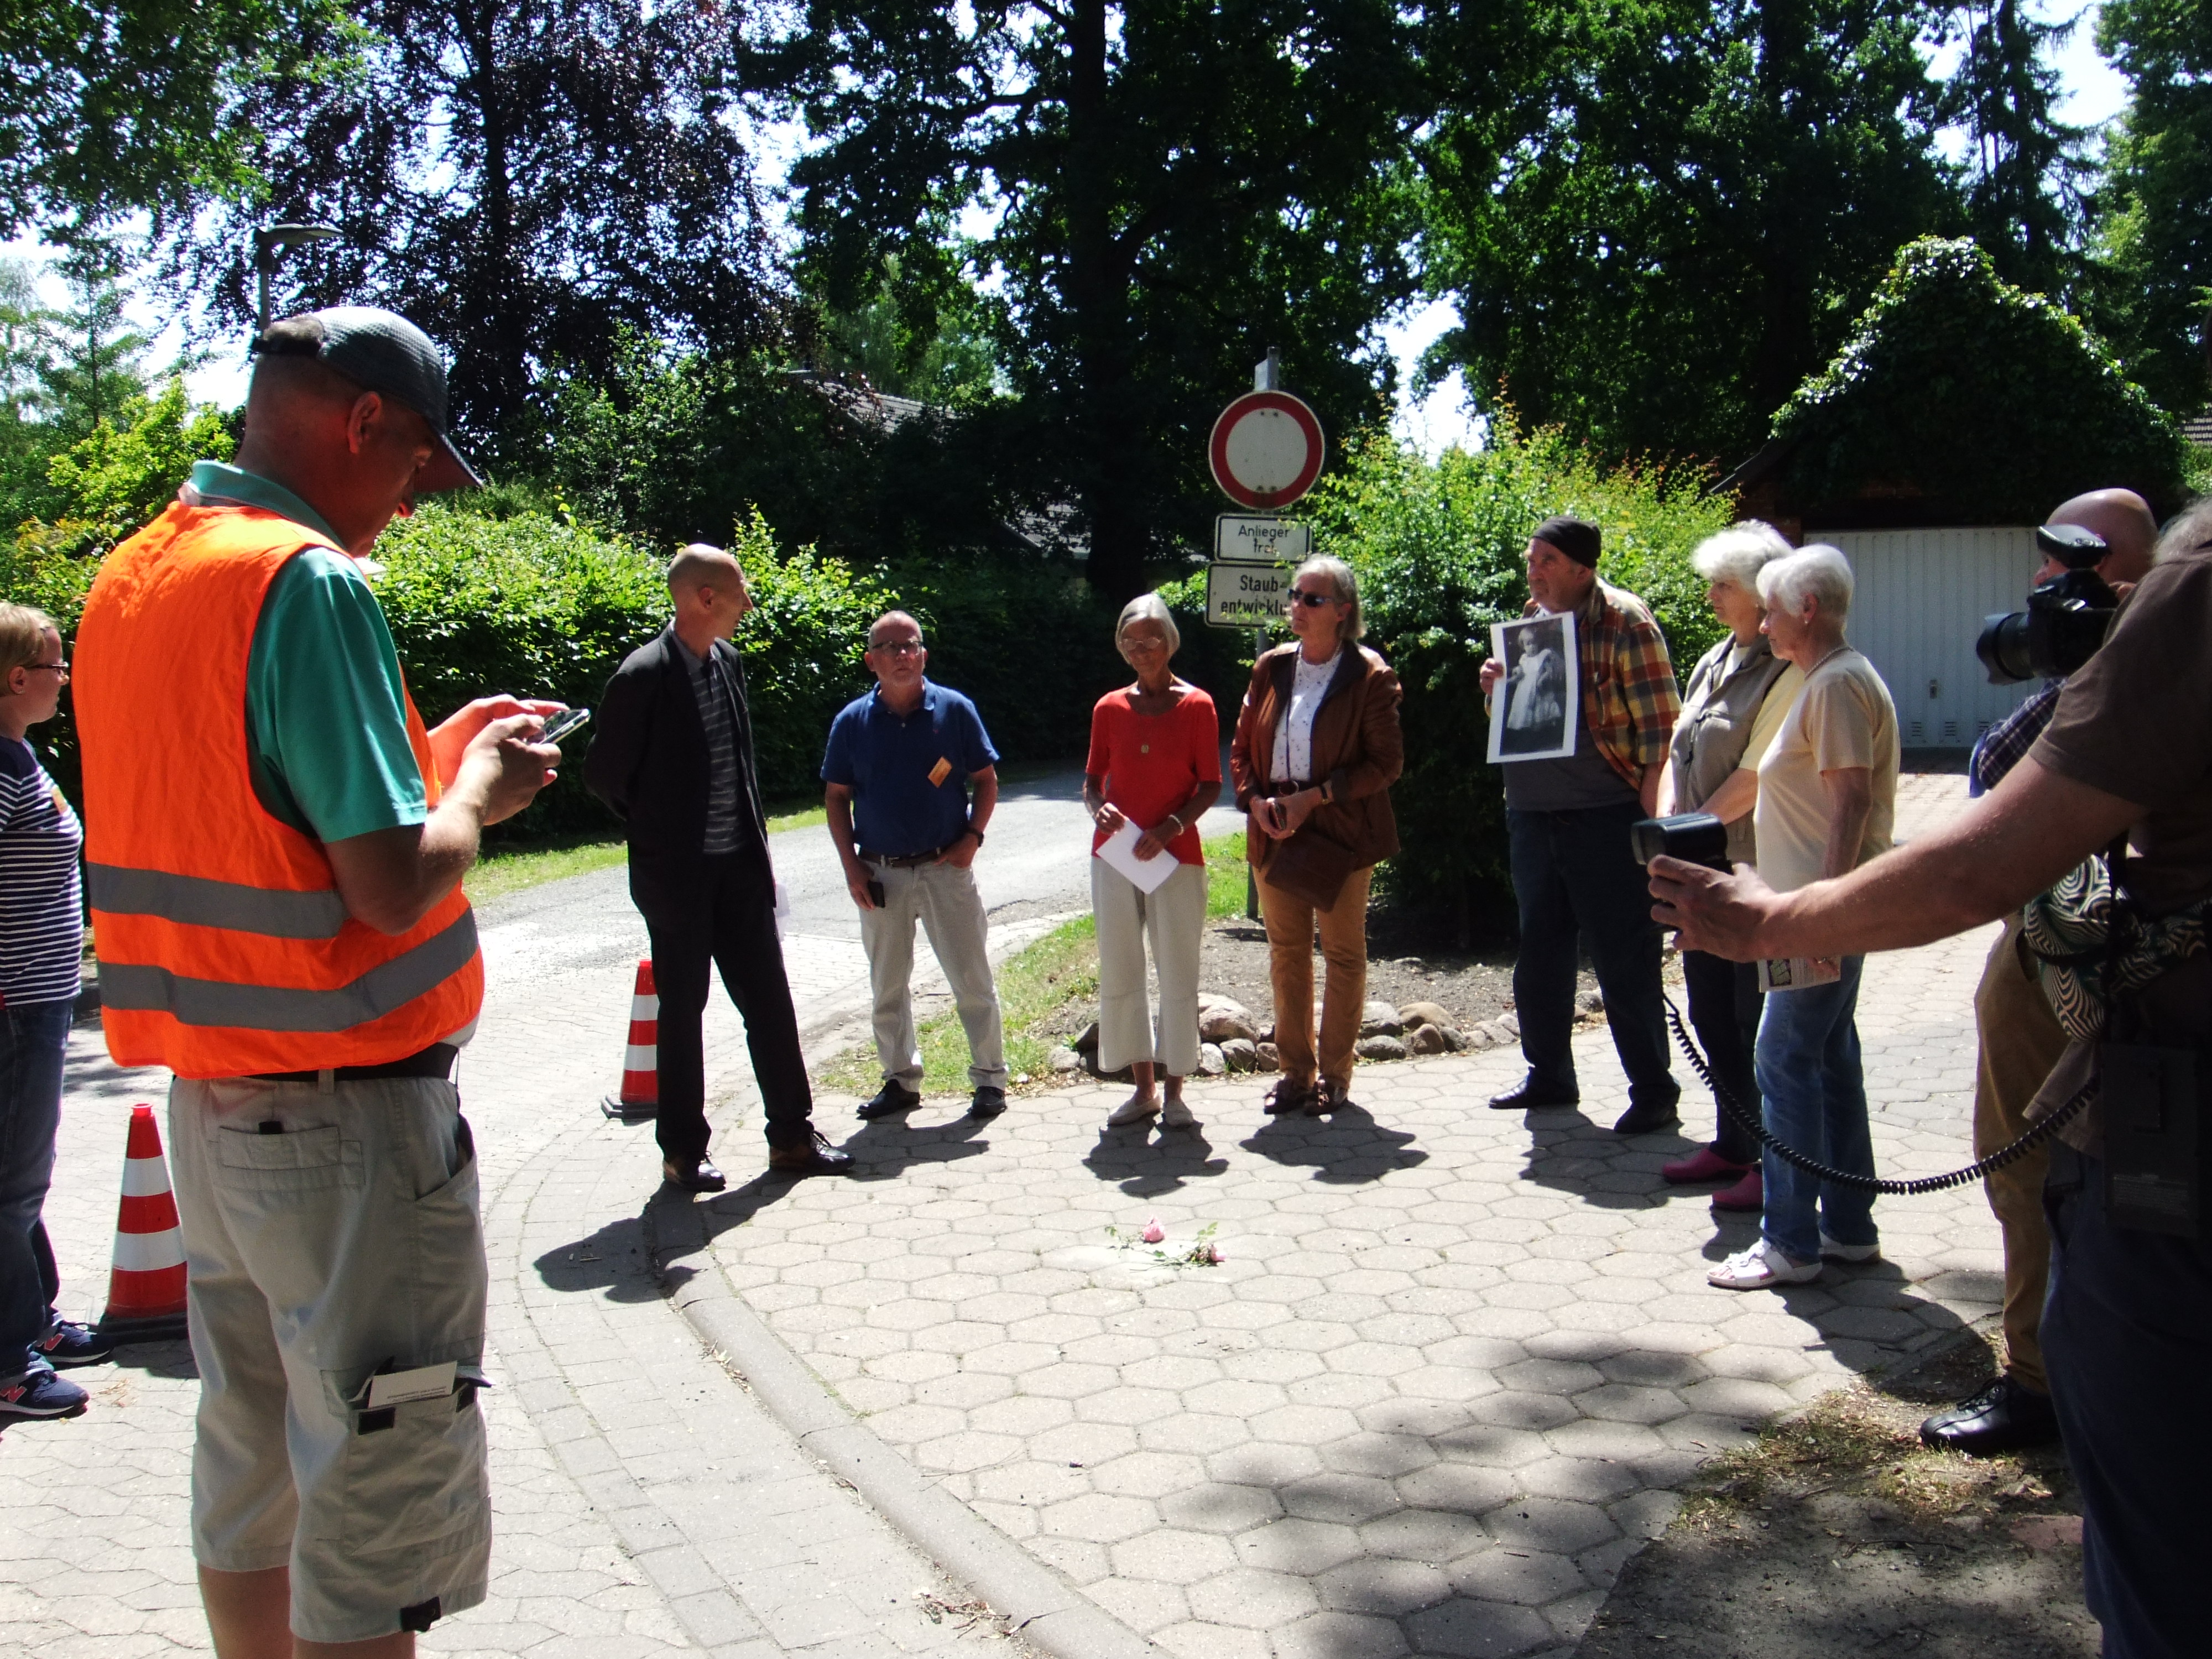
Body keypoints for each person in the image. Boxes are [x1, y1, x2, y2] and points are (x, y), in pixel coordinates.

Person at [72, 306, 562, 1653]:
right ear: (361, 422)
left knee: (254, 1454)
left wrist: (420, 753)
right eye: (412, 464)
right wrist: (479, 782)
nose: (410, 500)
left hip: (214, 1109)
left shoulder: (130, 581)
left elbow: (243, 805)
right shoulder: (309, 580)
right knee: (373, 1481)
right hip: (349, 1130)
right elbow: (390, 882)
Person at [1652, 496, 2212, 1659]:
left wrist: (1779, 921)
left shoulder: (1850, 678)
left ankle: (1819, 1236)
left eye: (2088, 572)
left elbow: (1979, 840)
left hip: (2168, 1137)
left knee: (2166, 1549)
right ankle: (1940, 1310)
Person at [1921, 487, 2158, 1456]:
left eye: (2070, 566)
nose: (2044, 589)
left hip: (2108, 953)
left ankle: (2046, 1384)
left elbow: (2002, 791)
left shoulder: (2156, 665)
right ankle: (2055, 1366)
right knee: (2026, 1168)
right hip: (2052, 939)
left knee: (2048, 1167)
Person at [588, 545, 853, 1189]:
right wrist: (664, 836)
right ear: (705, 598)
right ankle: (683, 1151)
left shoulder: (728, 663)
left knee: (768, 998)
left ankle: (791, 1135)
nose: (749, 604)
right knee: (683, 1008)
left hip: (739, 869)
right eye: (740, 592)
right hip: (677, 878)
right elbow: (603, 777)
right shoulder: (642, 675)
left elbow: (737, 766)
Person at [1702, 545, 1897, 1290]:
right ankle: (1847, 1228)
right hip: (1818, 914)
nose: (1768, 619)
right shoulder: (1828, 680)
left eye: (1776, 607)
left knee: (1782, 1059)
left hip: (1817, 917)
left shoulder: (1836, 684)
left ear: (1806, 609)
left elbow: (1850, 802)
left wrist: (1821, 913)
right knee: (1830, 1061)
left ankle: (1789, 1242)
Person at [1480, 515, 1684, 1133]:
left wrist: (1656, 837)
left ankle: (1653, 1091)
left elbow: (1660, 738)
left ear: (1582, 569)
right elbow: (1519, 718)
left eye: (1544, 560)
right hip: (1531, 816)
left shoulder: (1625, 622)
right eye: (1530, 558)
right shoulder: (1530, 619)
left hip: (1606, 819)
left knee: (1623, 958)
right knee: (1539, 953)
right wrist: (1493, 690)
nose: (1532, 570)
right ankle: (1549, 1076)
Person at [1652, 523, 1803, 1213]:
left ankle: (1775, 1161)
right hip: (1692, 862)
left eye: (1724, 586)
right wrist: (1661, 830)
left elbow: (1753, 776)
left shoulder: (1785, 669)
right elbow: (1677, 748)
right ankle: (1732, 1141)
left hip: (1744, 866)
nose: (1710, 596)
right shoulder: (1714, 658)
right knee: (1710, 1009)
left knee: (1752, 1017)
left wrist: (1686, 834)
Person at [1230, 556, 1403, 1117]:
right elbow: (1239, 749)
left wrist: (1316, 797)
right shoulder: (1271, 667)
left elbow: (1386, 765)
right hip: (1276, 828)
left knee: (1343, 954)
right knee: (1286, 954)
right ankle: (1295, 1075)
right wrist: (1256, 802)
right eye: (1295, 595)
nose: (1296, 607)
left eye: (1312, 599)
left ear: (1343, 611)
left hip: (1340, 833)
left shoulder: (1369, 675)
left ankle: (1335, 1075)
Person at [821, 610, 1007, 1121]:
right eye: (890, 647)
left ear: (924, 654)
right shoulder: (851, 723)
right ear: (871, 661)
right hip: (880, 873)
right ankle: (900, 1080)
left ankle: (990, 1078)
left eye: (911, 645)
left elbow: (987, 780)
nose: (902, 655)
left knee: (971, 977)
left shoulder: (955, 711)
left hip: (946, 868)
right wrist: (851, 866)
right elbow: (836, 797)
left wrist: (973, 837)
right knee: (887, 984)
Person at [0, 604, 107, 1425]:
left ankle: (33, 1320)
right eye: (57, 667)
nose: (64, 681)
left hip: (38, 1001)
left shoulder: (17, 756)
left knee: (21, 1180)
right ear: (16, 677)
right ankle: (9, 1363)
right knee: (10, 1184)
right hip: (13, 1007)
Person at [1082, 594, 1222, 1130]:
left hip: (1176, 858)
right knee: (1121, 967)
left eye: (1151, 639)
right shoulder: (1108, 708)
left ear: (1170, 642)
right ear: (1121, 646)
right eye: (1130, 641)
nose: (1141, 649)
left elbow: (1210, 784)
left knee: (1177, 971)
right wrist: (1101, 810)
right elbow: (1092, 784)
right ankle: (1142, 1090)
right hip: (1115, 857)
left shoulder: (1198, 706)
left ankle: (1178, 1090)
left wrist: (1170, 828)